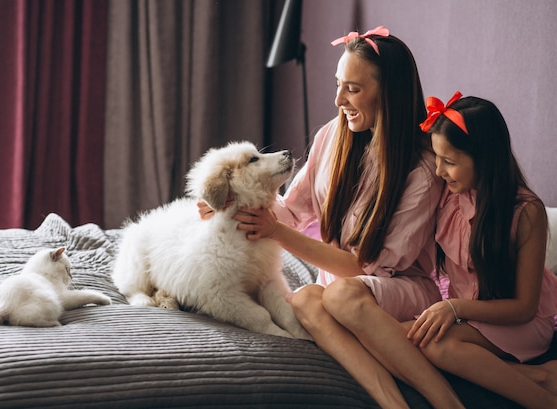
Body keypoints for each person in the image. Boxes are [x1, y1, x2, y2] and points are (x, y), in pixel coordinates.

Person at [224, 27, 466, 409]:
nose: (338, 99)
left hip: (400, 290)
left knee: (340, 293)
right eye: (339, 85)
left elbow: (365, 267)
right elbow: (291, 209)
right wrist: (234, 207)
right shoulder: (331, 137)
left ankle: (447, 402)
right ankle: (393, 404)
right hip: (339, 290)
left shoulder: (420, 171)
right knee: (304, 299)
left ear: (387, 93)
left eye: (352, 89)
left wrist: (278, 234)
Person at [407, 92, 557, 409]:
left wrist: (455, 308)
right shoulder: (448, 196)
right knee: (400, 336)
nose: (438, 171)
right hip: (469, 317)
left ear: (484, 159)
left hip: (519, 323)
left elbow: (524, 308)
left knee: (437, 346)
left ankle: (542, 400)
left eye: (449, 162)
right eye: (437, 158)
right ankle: (538, 376)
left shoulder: (526, 212)